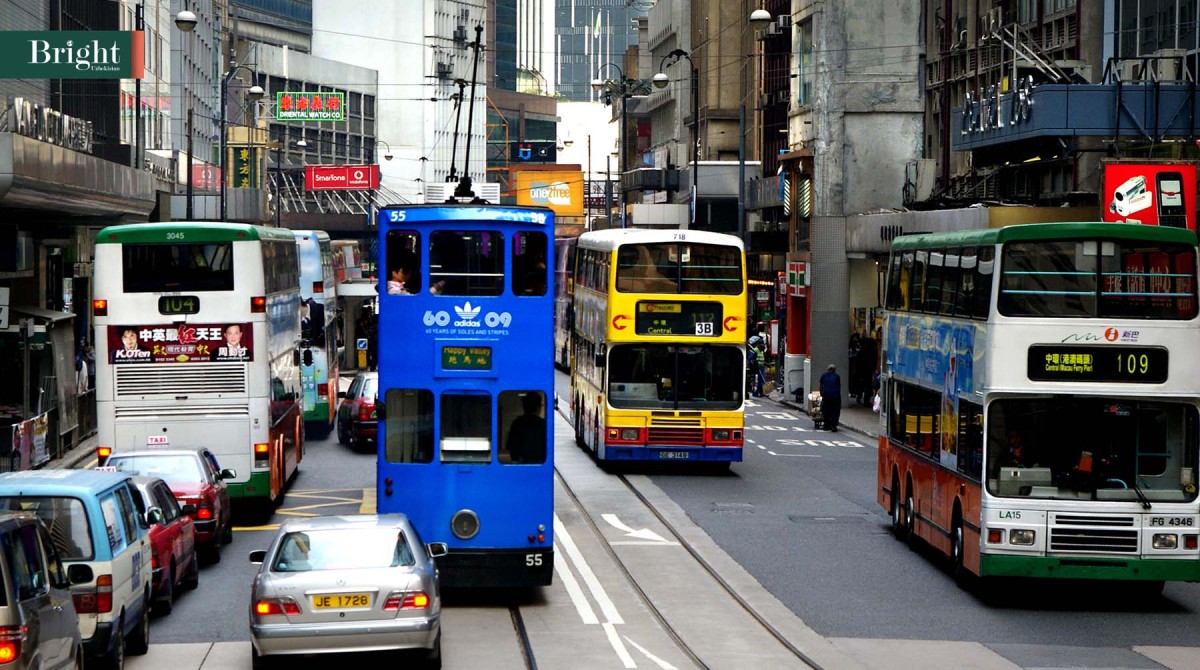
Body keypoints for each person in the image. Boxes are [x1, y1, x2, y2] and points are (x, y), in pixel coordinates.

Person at [505, 393, 547, 464]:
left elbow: (510, 447)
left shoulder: (517, 423)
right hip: (539, 463)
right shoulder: (543, 424)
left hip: (521, 463)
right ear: (537, 407)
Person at [818, 363, 842, 431]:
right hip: (835, 395)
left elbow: (821, 386)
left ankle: (826, 425)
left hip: (826, 395)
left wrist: (821, 394)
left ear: (828, 369)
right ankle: (834, 425)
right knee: (835, 410)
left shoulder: (824, 375)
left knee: (826, 410)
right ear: (834, 370)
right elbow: (839, 386)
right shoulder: (837, 376)